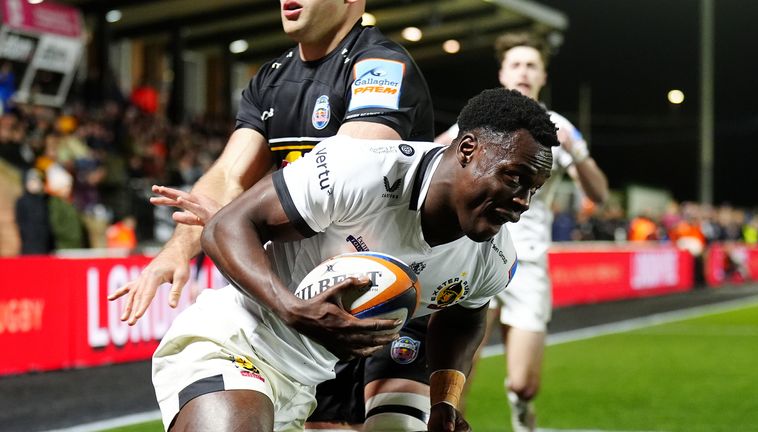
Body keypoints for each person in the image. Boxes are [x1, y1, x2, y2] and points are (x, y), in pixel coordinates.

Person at [108, 0, 435, 429]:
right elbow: (229, 175)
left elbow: (352, 168)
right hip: (306, 291)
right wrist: (177, 249)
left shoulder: (381, 66)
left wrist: (239, 215)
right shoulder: (272, 78)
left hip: (382, 294)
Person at [152, 88, 559, 432]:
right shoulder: (361, 169)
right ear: (469, 149)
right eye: (513, 177)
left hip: (303, 384)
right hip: (235, 340)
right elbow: (226, 227)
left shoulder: (495, 257)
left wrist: (444, 399)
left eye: (533, 189)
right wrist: (293, 310)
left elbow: (465, 316)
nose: (522, 202)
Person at [436, 32, 608, 431]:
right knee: (456, 377)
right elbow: (433, 159)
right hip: (472, 257)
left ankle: (522, 410)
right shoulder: (478, 120)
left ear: (543, 75)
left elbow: (598, 193)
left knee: (524, 383)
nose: (523, 72)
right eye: (516, 64)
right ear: (502, 72)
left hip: (526, 263)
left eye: (532, 65)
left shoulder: (558, 127)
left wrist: (577, 151)